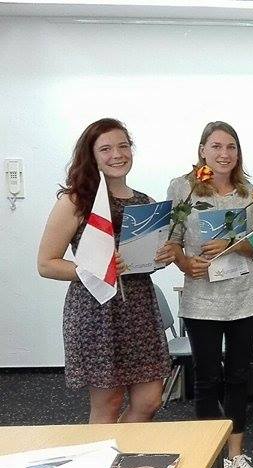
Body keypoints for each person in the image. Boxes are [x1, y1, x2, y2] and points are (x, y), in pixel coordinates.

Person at [37, 118, 171, 424]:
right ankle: (104, 466)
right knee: (108, 403)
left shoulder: (145, 202)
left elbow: (147, 261)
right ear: (92, 155)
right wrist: (96, 269)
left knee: (150, 400)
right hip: (96, 310)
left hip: (139, 309)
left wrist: (162, 255)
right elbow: (46, 263)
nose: (117, 154)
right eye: (106, 148)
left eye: (123, 146)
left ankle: (121, 460)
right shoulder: (76, 201)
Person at [166, 121, 253, 468]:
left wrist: (235, 242)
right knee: (208, 378)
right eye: (217, 146)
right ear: (202, 150)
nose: (224, 154)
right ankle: (214, 456)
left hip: (244, 295)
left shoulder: (249, 193)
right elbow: (171, 240)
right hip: (202, 295)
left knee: (239, 376)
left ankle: (236, 454)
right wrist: (182, 262)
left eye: (232, 147)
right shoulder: (184, 188)